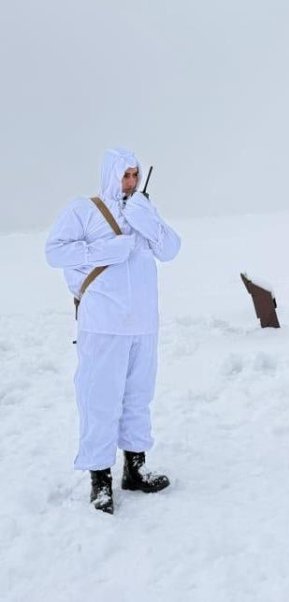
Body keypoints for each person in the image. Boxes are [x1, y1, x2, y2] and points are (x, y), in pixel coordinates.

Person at [46, 148, 181, 513]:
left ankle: (135, 470)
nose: (132, 182)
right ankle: (99, 479)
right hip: (103, 325)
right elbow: (54, 252)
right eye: (126, 175)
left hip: (143, 326)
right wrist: (106, 250)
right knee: (100, 400)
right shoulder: (83, 210)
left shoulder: (142, 210)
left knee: (138, 398)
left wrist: (146, 219)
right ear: (111, 174)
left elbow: (171, 249)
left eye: (135, 175)